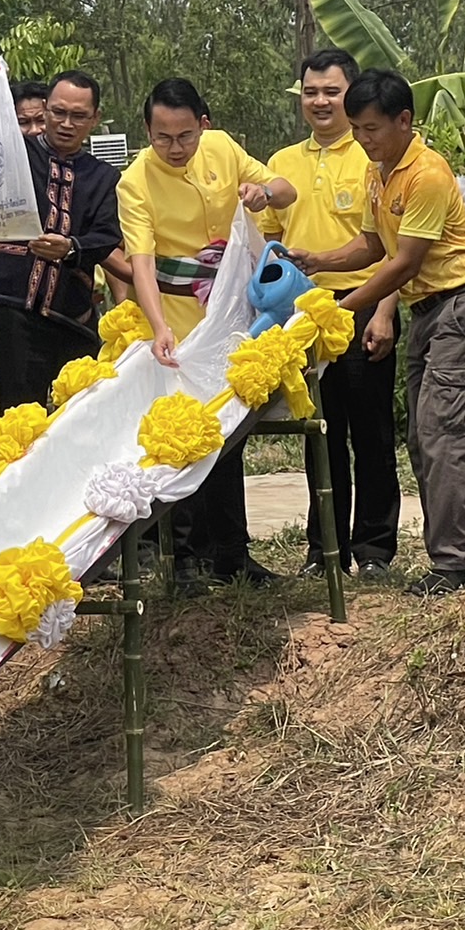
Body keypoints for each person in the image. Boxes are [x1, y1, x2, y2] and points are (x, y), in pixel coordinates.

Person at [286, 70, 465, 597]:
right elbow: (370, 247)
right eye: (356, 128)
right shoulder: (380, 174)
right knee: (422, 438)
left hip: (462, 303)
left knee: (440, 433)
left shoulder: (426, 173)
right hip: (430, 311)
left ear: (405, 120)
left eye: (372, 128)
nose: (362, 138)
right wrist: (317, 261)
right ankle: (450, 556)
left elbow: (404, 262)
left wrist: (341, 310)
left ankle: (457, 564)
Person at [118, 78, 297, 595]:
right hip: (179, 319)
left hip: (234, 314)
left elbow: (285, 188)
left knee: (230, 436)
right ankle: (185, 558)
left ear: (204, 124)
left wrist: (263, 193)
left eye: (184, 136)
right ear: (147, 131)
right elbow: (142, 263)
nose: (175, 149)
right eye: (161, 137)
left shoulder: (222, 148)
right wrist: (158, 328)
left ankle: (233, 552)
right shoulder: (135, 182)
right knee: (182, 438)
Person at [262, 49, 401, 580]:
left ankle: (374, 550)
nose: (320, 101)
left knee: (371, 432)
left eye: (331, 91)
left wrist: (384, 312)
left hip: (364, 305)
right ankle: (324, 551)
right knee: (319, 431)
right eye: (311, 92)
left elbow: (395, 246)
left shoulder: (373, 156)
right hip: (302, 316)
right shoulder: (281, 164)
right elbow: (271, 243)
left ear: (353, 93)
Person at [0, 66, 123, 408]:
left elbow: (107, 234)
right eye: (59, 113)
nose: (67, 124)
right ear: (46, 107)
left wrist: (71, 248)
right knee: (20, 417)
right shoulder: (14, 153)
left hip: (73, 315)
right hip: (14, 312)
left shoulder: (102, 176)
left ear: (95, 118)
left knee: (80, 416)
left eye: (78, 116)